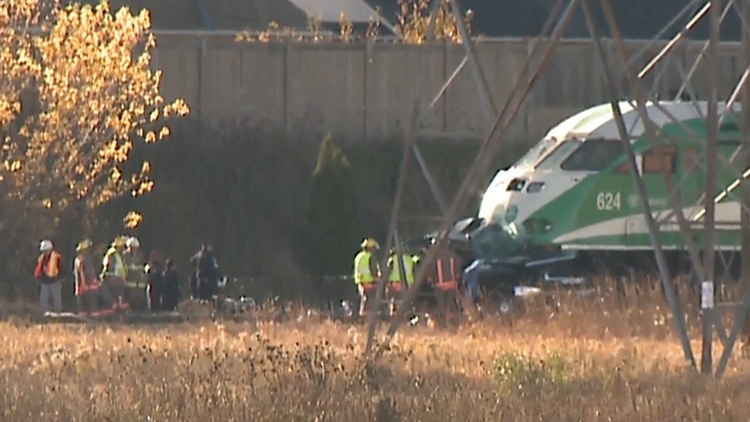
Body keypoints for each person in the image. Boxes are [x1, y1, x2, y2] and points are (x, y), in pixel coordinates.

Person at [73, 239, 113, 318]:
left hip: (79, 289)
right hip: (89, 289)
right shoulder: (86, 260)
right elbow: (89, 274)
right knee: (93, 311)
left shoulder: (77, 259)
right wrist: (95, 283)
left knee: (82, 311)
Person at [353, 238, 381, 318]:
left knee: (364, 301)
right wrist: (379, 279)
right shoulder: (370, 257)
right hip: (370, 283)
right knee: (370, 302)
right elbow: (373, 271)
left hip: (361, 282)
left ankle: (362, 317)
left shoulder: (358, 256)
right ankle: (368, 319)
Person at [100, 236, 131, 311]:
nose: (124, 248)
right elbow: (109, 268)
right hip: (114, 280)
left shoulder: (119, 255)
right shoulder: (112, 254)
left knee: (120, 300)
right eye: (123, 246)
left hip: (119, 280)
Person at [34, 239, 63, 314]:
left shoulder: (56, 257)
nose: (44, 252)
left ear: (50, 249)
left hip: (55, 282)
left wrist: (60, 278)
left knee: (56, 299)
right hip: (45, 282)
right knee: (43, 299)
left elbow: (61, 268)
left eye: (45, 250)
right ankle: (44, 314)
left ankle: (58, 314)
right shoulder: (41, 258)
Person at [386, 247, 417, 317]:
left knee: (394, 302)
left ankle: (394, 316)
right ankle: (407, 317)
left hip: (395, 285)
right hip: (408, 285)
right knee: (406, 304)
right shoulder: (411, 260)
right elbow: (415, 273)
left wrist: (386, 283)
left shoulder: (393, 259)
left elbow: (387, 272)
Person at [123, 236, 147, 309]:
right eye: (133, 247)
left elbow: (142, 265)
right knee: (130, 297)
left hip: (139, 281)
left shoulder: (140, 255)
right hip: (130, 280)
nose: (135, 249)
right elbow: (125, 266)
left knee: (139, 297)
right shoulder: (125, 255)